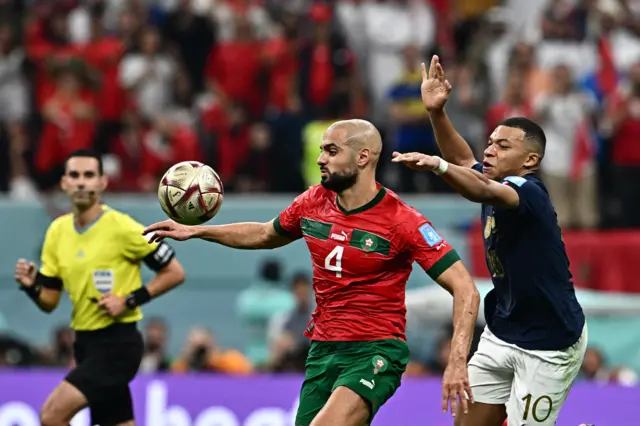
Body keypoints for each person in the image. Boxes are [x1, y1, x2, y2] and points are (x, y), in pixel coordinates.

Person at [144, 118, 481, 426]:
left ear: (363, 158)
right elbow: (264, 234)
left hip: (375, 352)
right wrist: (200, 231)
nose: (321, 159)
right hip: (322, 351)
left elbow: (466, 288)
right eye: (321, 150)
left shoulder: (402, 221)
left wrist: (457, 360)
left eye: (332, 151)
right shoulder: (313, 202)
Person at [392, 56, 587, 426]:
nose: (489, 150)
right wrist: (436, 113)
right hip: (503, 329)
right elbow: (465, 160)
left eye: (503, 146)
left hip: (549, 342)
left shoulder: (528, 193)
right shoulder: (492, 178)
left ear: (530, 159)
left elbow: (477, 184)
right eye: (491, 142)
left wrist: (437, 166)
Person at [14, 149, 186, 426]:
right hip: (85, 344)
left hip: (118, 344)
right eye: (75, 175)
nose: (82, 182)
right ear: (64, 183)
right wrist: (32, 287)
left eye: (89, 175)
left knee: (52, 415)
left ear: (102, 182)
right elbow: (50, 301)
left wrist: (129, 300)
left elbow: (174, 272)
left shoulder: (123, 228)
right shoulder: (57, 232)